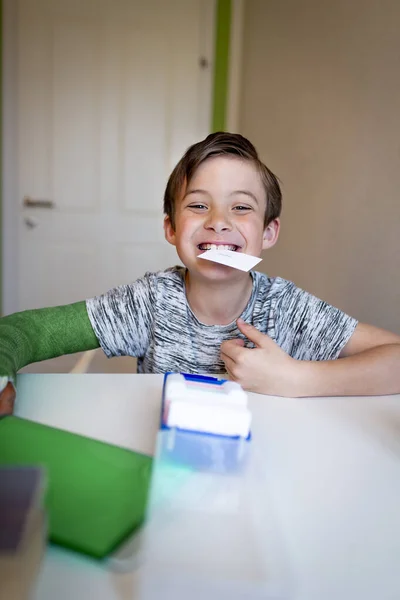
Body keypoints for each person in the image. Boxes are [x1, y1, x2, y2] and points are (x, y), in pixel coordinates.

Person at [1, 131, 400, 416]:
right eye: (197, 206)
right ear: (171, 228)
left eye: (241, 208)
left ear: (268, 232)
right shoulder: (150, 302)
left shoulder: (289, 309)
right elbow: (25, 332)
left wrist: (297, 379)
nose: (219, 222)